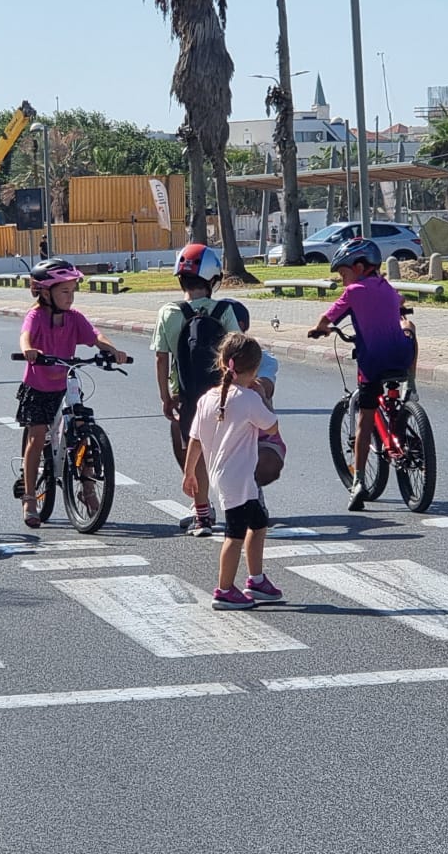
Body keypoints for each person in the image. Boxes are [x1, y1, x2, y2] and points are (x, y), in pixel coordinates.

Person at [16, 259, 132, 528]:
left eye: (72, 291)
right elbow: (25, 337)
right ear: (45, 293)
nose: (71, 297)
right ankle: (30, 496)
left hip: (66, 382)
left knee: (82, 428)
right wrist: (29, 350)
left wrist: (112, 350)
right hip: (39, 387)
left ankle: (87, 489)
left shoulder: (74, 318)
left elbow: (95, 335)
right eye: (65, 292)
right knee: (36, 436)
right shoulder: (36, 316)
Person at [307, 237, 414, 510]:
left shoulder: (353, 291)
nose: (343, 280)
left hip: (372, 363)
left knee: (364, 422)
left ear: (358, 266)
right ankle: (410, 387)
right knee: (409, 329)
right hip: (401, 358)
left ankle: (357, 483)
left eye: (343, 273)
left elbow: (325, 320)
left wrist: (319, 330)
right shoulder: (387, 286)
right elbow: (399, 301)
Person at [153, 243, 250, 536]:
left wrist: (165, 397)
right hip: (223, 393)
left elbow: (161, 357)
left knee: (195, 451)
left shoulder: (169, 313)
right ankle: (242, 507)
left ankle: (202, 514)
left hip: (186, 394)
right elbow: (238, 349)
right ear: (212, 280)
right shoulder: (224, 310)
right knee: (231, 451)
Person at [182, 333, 284, 610]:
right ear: (255, 369)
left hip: (225, 476)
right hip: (238, 478)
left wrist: (189, 472)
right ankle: (224, 590)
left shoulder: (207, 398)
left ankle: (256, 579)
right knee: (234, 534)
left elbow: (195, 439)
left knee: (259, 522)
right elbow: (271, 427)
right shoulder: (249, 399)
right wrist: (262, 396)